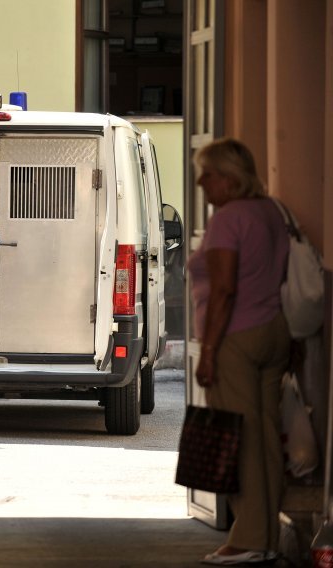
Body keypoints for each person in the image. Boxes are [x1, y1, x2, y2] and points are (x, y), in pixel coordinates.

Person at [187, 138, 290, 566]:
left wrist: (208, 351)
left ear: (229, 178)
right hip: (273, 331)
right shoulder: (271, 211)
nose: (200, 182)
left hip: (237, 338)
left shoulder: (228, 219)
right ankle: (265, 536)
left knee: (239, 439)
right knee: (264, 438)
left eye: (207, 174)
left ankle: (247, 539)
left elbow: (225, 290)